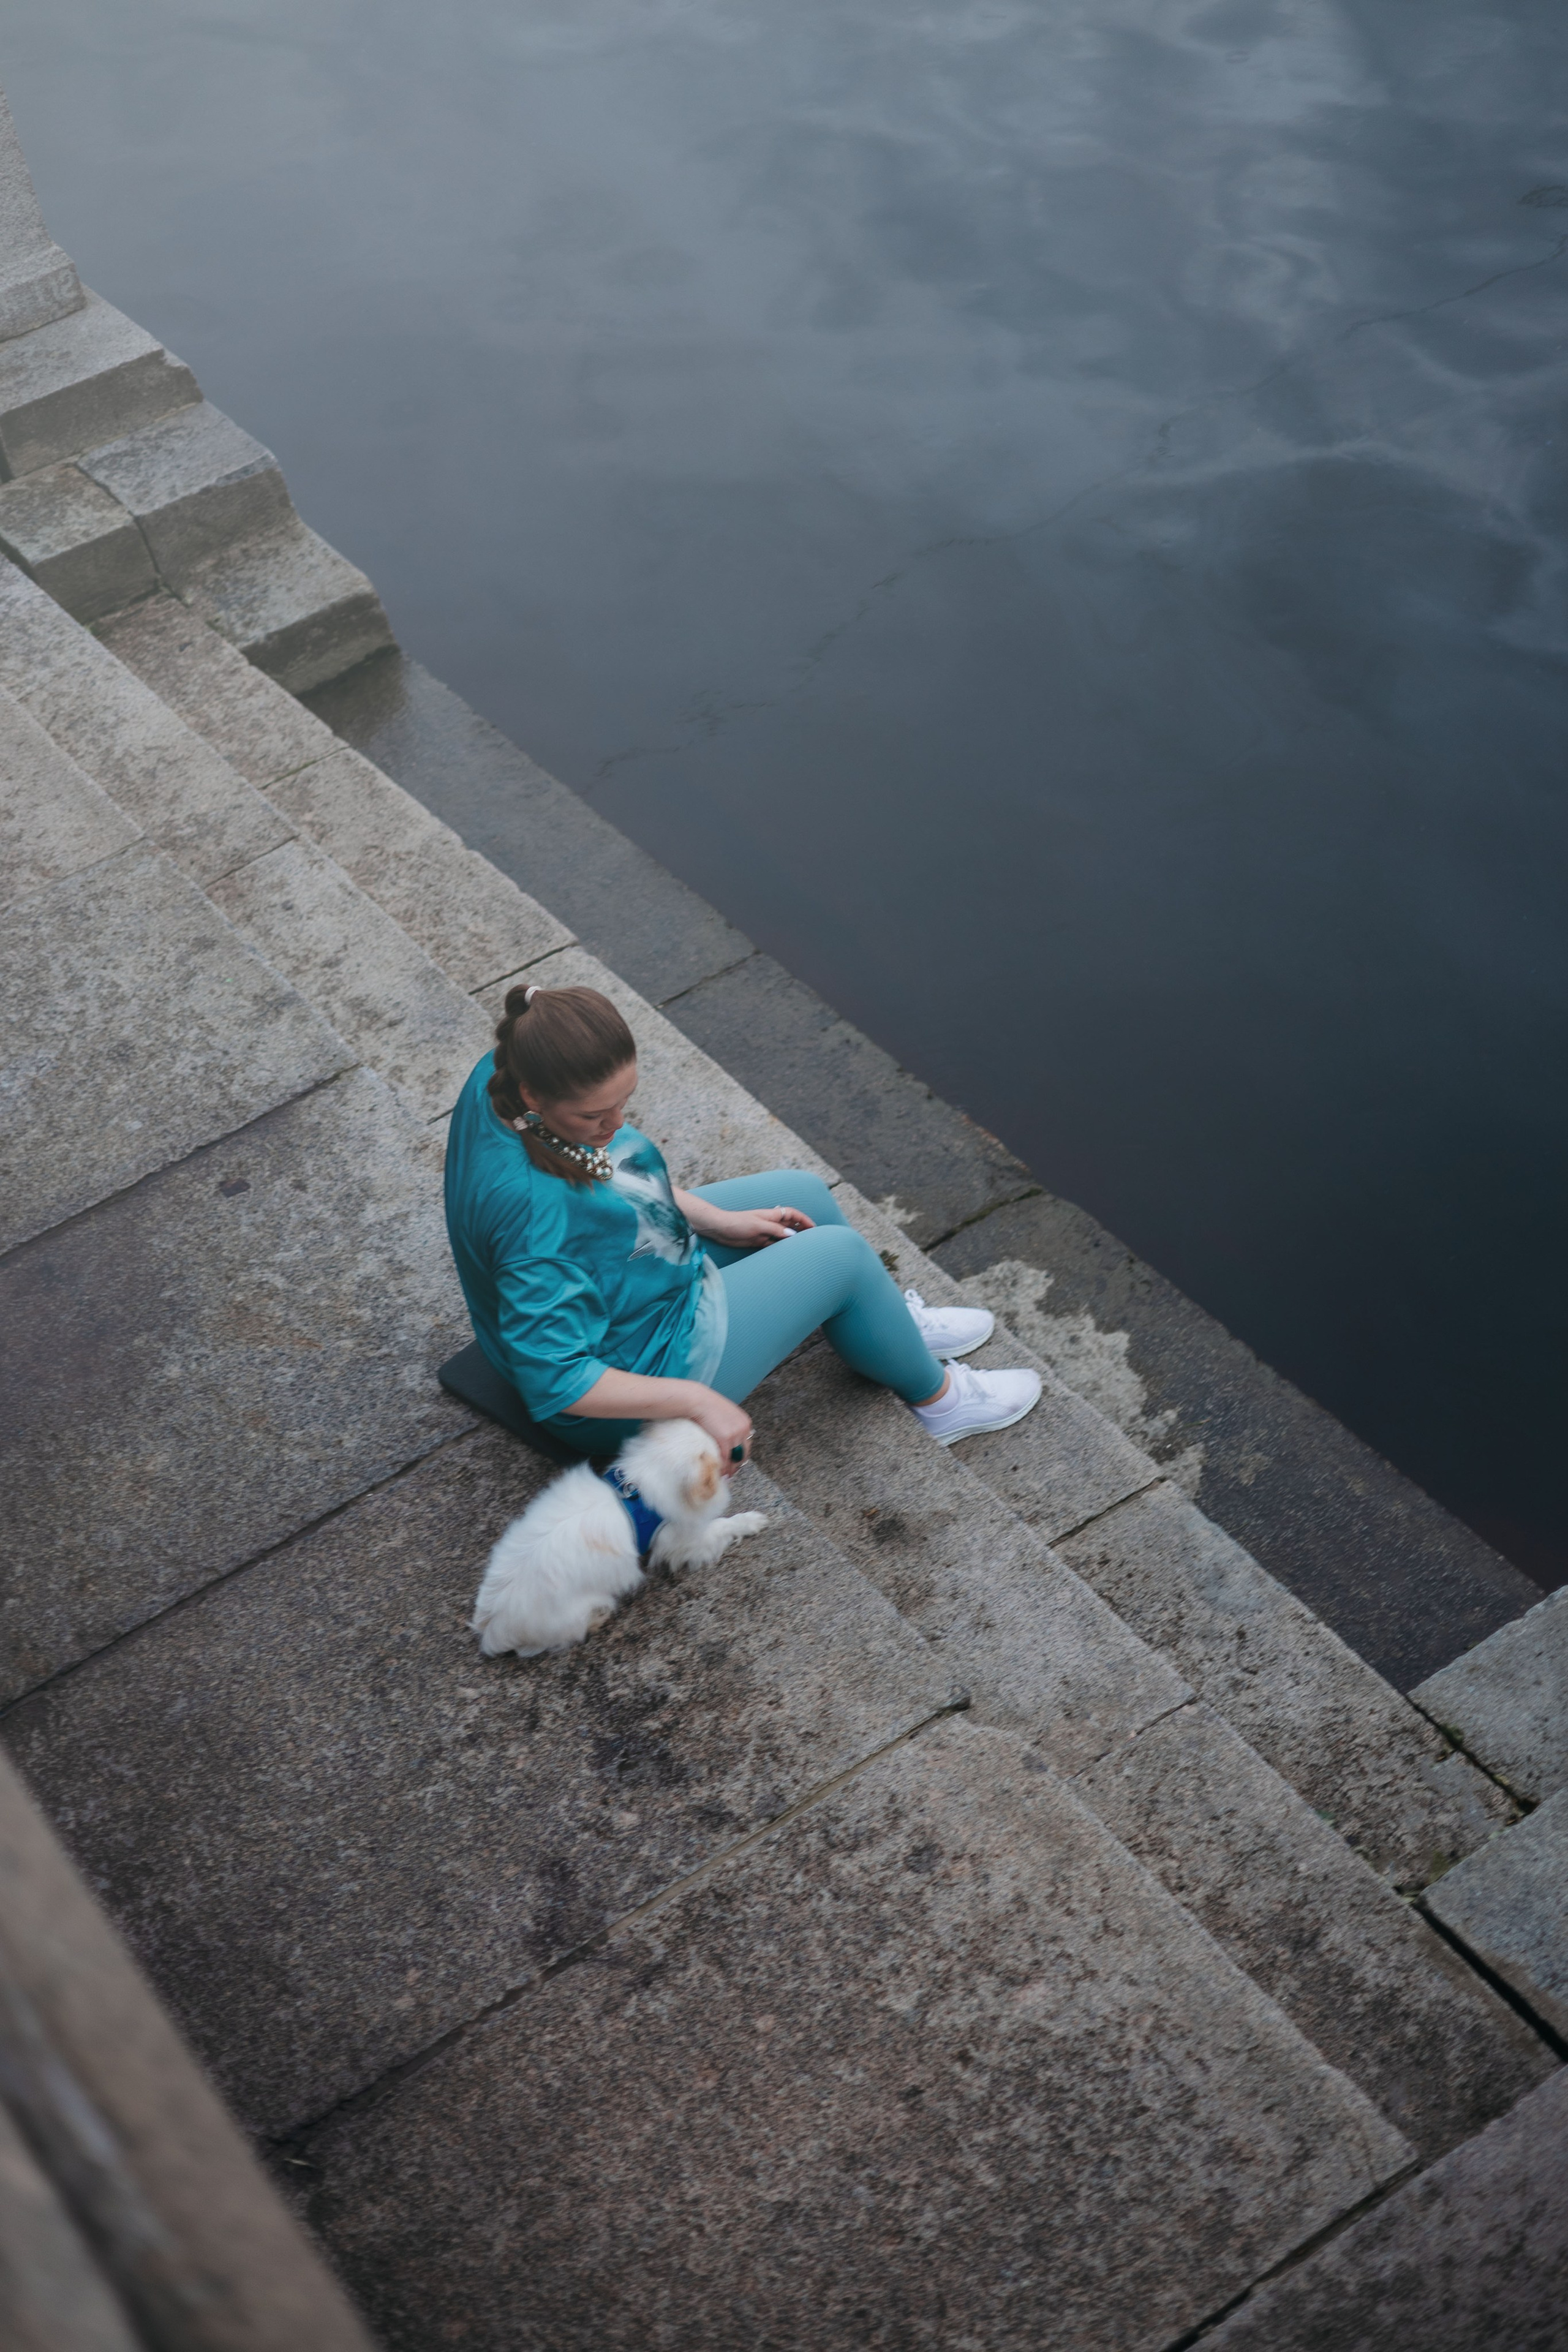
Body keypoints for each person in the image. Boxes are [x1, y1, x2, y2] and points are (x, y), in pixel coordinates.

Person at [443, 982, 1042, 1467]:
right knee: (844, 1257)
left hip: (612, 1272)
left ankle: (888, 1330)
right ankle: (941, 1404)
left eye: (624, 1102)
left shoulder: (509, 1071)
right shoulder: (532, 1218)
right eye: (595, 1114)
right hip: (623, 1383)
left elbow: (607, 1168)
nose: (617, 1124)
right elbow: (557, 1379)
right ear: (535, 1094)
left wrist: (715, 1221)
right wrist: (698, 1402)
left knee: (800, 1193)